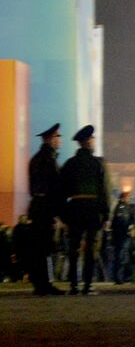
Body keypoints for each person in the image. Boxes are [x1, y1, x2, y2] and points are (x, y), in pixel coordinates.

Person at [58, 125, 110, 295]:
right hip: (93, 210)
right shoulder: (98, 163)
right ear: (88, 141)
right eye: (92, 139)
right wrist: (106, 213)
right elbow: (105, 190)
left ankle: (73, 285)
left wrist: (64, 214)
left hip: (74, 209)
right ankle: (88, 285)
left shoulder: (70, 164)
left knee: (73, 249)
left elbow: (61, 191)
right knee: (91, 249)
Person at [25, 123, 64, 296]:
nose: (60, 140)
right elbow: (56, 187)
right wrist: (58, 212)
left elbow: (32, 188)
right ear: (51, 139)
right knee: (46, 247)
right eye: (58, 137)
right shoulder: (50, 159)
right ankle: (46, 283)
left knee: (37, 247)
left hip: (36, 206)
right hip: (47, 208)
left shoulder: (35, 159)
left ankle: (39, 283)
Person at [109, 190, 135, 284]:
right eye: (128, 198)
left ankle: (124, 277)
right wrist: (128, 228)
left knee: (125, 258)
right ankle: (118, 278)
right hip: (121, 237)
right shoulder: (120, 208)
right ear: (123, 198)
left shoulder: (128, 208)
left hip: (125, 237)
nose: (130, 199)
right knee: (120, 258)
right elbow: (120, 222)